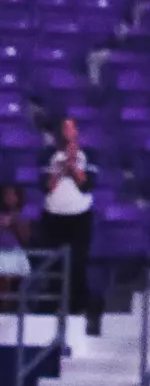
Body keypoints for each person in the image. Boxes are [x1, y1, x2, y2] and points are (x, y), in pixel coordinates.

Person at [39, 119, 96, 322]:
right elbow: (47, 186)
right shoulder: (48, 156)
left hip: (80, 216)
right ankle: (55, 308)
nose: (66, 133)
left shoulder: (88, 155)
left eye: (70, 128)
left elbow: (87, 185)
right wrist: (62, 168)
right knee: (55, 262)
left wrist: (72, 166)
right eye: (63, 128)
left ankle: (80, 308)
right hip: (53, 216)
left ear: (77, 132)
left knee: (78, 262)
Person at [0, 186, 29, 287]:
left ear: (17, 197)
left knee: (11, 283)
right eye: (6, 194)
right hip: (1, 251)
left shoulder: (23, 215)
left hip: (14, 253)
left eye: (12, 194)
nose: (9, 197)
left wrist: (14, 222)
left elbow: (25, 238)